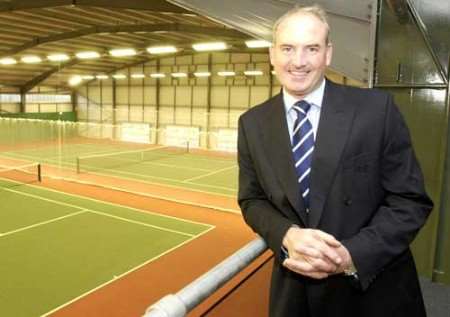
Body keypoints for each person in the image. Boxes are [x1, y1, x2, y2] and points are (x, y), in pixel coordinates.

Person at [237, 4, 433, 317]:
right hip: (295, 297)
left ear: (328, 54)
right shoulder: (252, 124)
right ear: (272, 54)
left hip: (372, 293)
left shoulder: (375, 110)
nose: (298, 61)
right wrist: (286, 234)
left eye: (311, 48)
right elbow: (252, 199)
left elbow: (411, 201)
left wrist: (350, 255)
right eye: (287, 48)